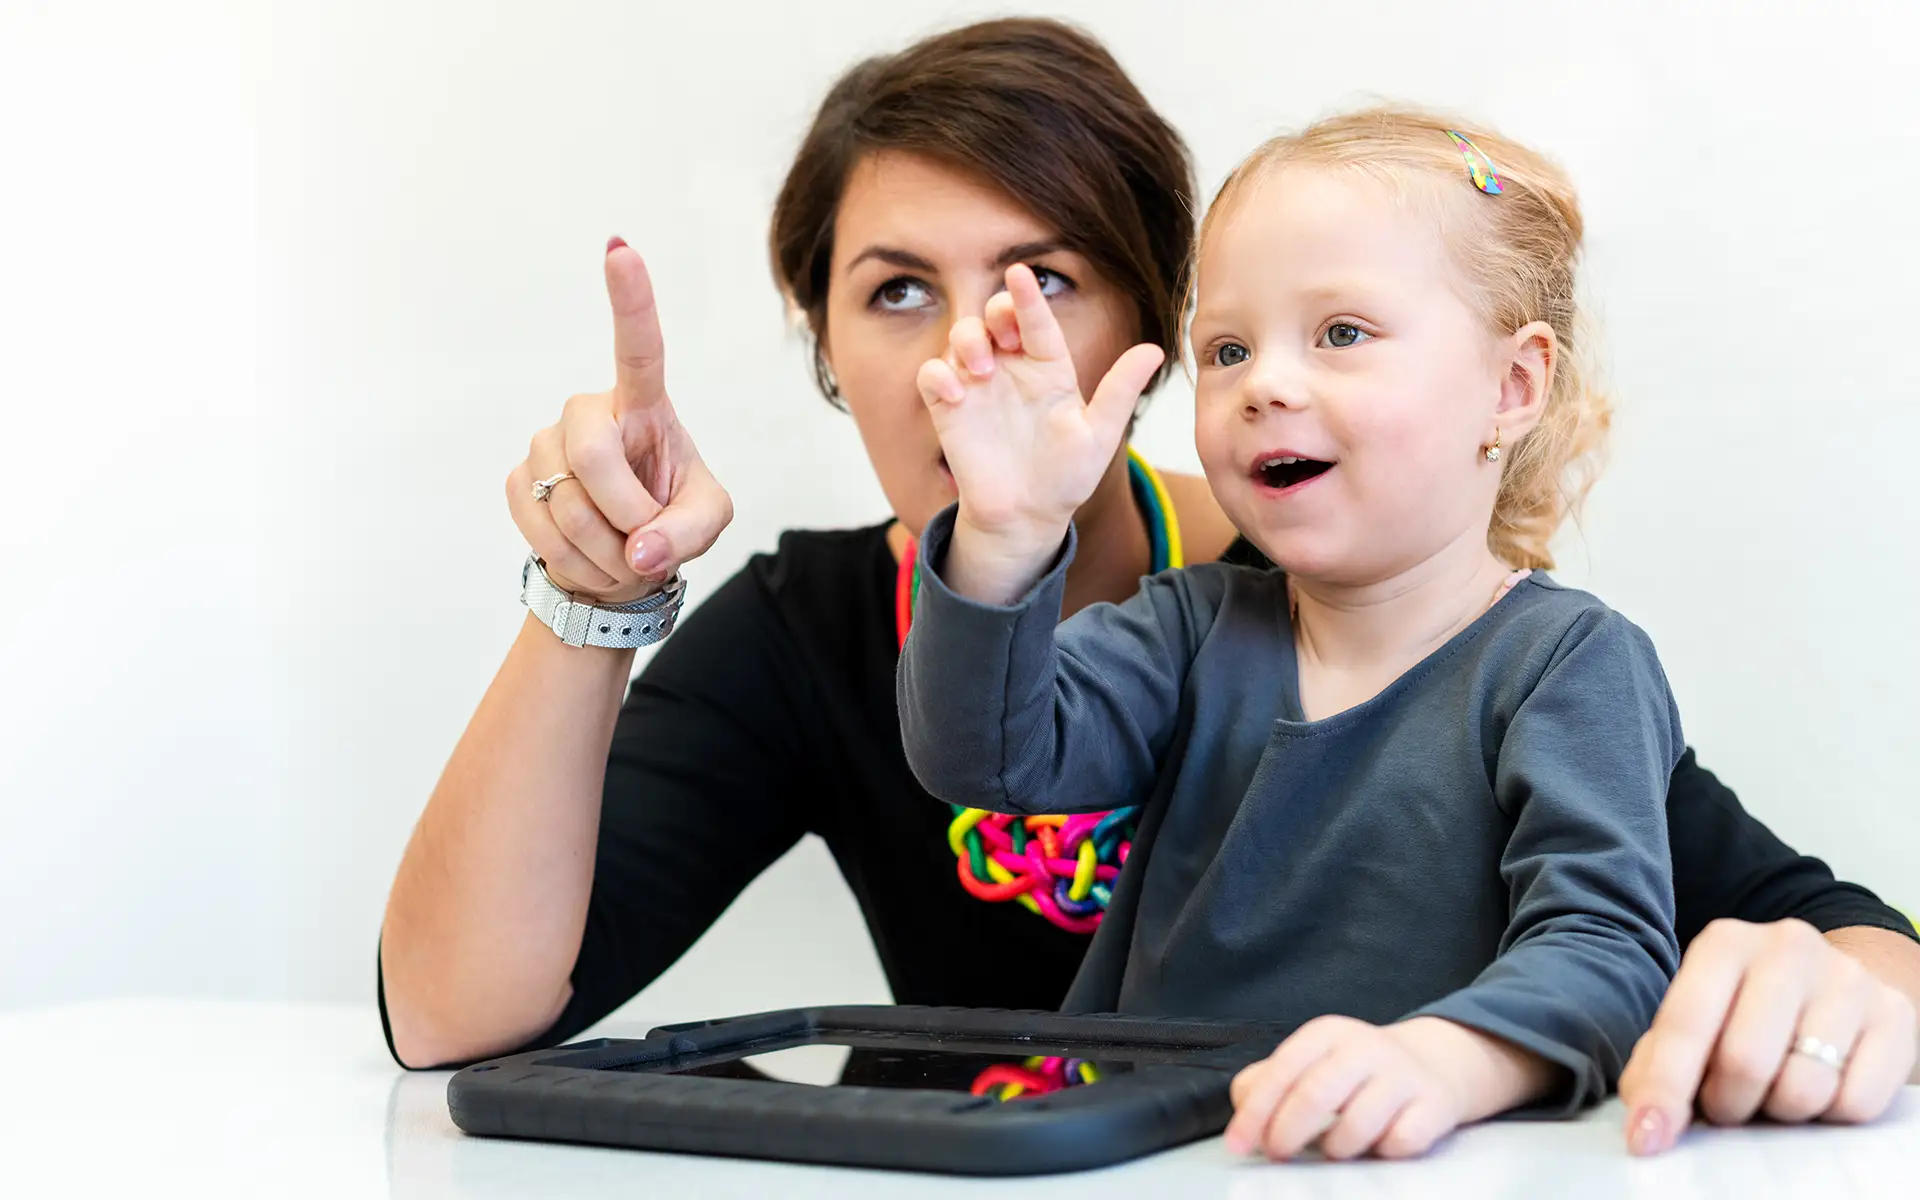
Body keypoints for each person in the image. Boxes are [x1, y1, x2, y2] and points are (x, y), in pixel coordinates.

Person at [376, 17, 1920, 1156]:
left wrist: (1826, 997)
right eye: (896, 289)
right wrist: (608, 583)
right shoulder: (1079, 630)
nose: (976, 350)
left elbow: (1704, 933)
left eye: (1044, 280)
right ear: (828, 353)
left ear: (1146, 333)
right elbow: (454, 1022)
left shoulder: (1486, 636)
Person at [900, 105, 1692, 1158]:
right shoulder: (1190, 625)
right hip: (1149, 1163)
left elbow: (1606, 947)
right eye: (1226, 349)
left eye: (1341, 334)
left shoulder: (1567, 668)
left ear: (1513, 387)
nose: (1264, 384)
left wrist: (1444, 1061)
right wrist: (1006, 533)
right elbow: (983, 757)